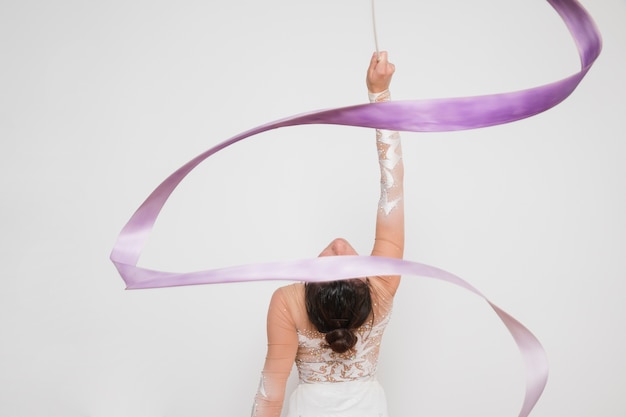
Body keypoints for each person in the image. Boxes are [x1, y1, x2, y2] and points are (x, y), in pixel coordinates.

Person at [251, 51, 404, 417]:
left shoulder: (288, 300)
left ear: (311, 281)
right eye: (346, 257)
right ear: (364, 277)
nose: (338, 244)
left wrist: (377, 95)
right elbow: (392, 188)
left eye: (331, 260)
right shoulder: (381, 284)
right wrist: (379, 96)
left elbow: (270, 395)